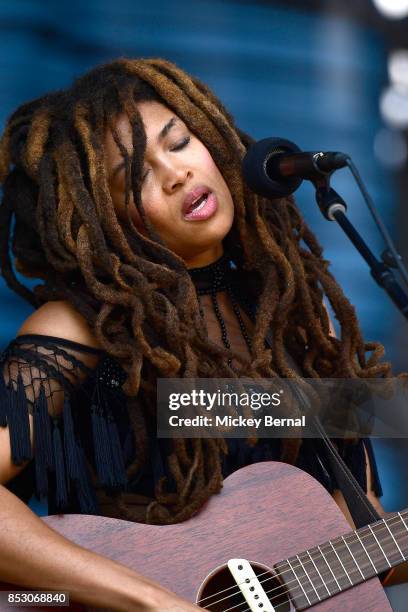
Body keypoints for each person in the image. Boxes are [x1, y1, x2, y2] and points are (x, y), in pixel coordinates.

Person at [0, 57, 402, 610]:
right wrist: (153, 601)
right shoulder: (79, 330)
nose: (176, 173)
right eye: (137, 175)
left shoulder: (296, 318)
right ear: (106, 220)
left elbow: (358, 535)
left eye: (180, 142)